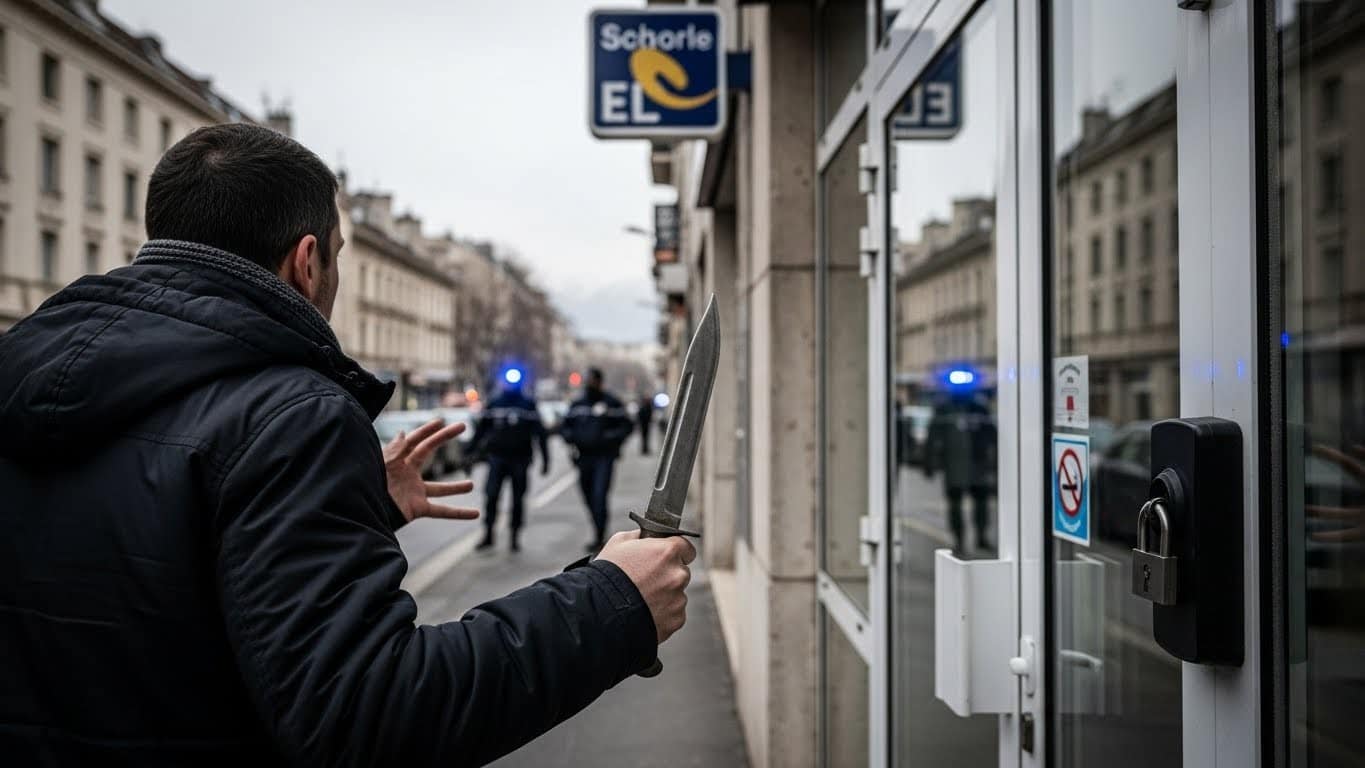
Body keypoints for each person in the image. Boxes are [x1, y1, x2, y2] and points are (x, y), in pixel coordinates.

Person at [0, 124, 694, 766]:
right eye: (335, 257)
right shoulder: (286, 411)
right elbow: (367, 713)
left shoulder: (22, 372)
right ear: (308, 261)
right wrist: (612, 605)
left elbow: (129, 581)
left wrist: (335, 503)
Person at [471, 377, 550, 552]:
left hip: (520, 460)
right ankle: (488, 534)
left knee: (517, 500)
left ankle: (514, 536)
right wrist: (469, 453)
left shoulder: (528, 404)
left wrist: (546, 460)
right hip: (497, 458)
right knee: (491, 496)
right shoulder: (495, 402)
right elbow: (480, 430)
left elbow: (540, 433)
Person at [560, 368, 635, 551]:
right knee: (587, 496)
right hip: (584, 457)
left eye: (593, 381)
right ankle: (597, 526)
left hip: (604, 457)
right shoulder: (578, 405)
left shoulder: (612, 403)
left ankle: (599, 535)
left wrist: (610, 438)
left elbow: (626, 426)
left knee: (599, 495)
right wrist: (573, 437)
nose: (590, 384)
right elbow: (565, 427)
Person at [924, 390, 998, 554]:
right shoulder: (944, 410)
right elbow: (932, 436)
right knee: (955, 505)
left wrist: (995, 464)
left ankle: (981, 536)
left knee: (981, 504)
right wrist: (929, 463)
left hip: (977, 466)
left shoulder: (978, 409)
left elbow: (992, 435)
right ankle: (959, 539)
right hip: (955, 466)